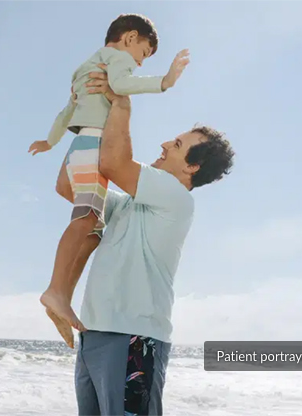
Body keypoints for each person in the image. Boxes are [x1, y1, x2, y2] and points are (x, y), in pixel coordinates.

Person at [70, 66, 235, 416]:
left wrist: (122, 105)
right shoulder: (131, 202)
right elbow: (71, 186)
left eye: (176, 145)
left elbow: (114, 163)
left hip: (132, 338)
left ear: (192, 167)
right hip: (95, 335)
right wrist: (86, 119)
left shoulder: (175, 196)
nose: (163, 144)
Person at [30, 14, 192, 348]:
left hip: (78, 146)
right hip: (94, 144)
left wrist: (50, 142)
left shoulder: (84, 67)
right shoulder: (117, 59)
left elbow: (66, 112)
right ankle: (56, 292)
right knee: (86, 219)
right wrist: (164, 81)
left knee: (94, 226)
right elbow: (120, 86)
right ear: (130, 38)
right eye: (143, 53)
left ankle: (61, 296)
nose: (138, 61)